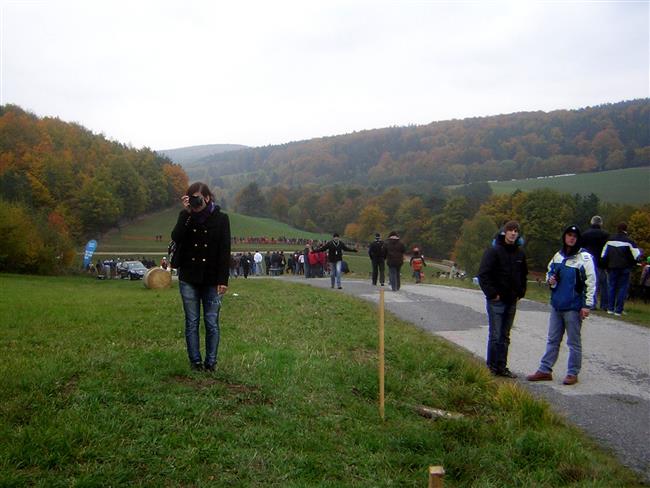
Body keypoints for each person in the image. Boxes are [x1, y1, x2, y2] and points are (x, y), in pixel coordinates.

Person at [171, 182, 231, 372]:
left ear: (207, 197)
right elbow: (176, 237)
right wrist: (187, 213)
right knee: (192, 321)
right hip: (189, 276)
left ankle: (211, 362)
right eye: (192, 197)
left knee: (212, 322)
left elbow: (224, 250)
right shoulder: (186, 217)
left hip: (212, 278)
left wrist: (223, 280)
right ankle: (195, 362)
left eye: (198, 197)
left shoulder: (221, 219)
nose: (196, 201)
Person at [526, 225, 596, 386]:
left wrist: (587, 305)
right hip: (557, 305)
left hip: (573, 307)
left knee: (573, 342)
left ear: (578, 239)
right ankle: (545, 370)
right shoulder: (558, 256)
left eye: (574, 236)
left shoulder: (584, 258)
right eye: (569, 235)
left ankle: (572, 372)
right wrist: (550, 280)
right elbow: (549, 272)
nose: (571, 238)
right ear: (564, 237)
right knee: (552, 339)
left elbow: (591, 282)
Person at [477, 221, 528, 378]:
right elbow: (483, 274)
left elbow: (524, 275)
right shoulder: (494, 251)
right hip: (497, 301)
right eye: (510, 230)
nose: (513, 233)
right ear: (504, 232)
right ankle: (491, 367)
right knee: (495, 334)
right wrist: (492, 294)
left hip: (512, 300)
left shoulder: (520, 254)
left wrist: (521, 292)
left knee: (505, 336)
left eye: (516, 231)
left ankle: (502, 366)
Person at [601, 222, 641, 316]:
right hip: (625, 268)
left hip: (612, 267)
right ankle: (618, 310)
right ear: (626, 229)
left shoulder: (610, 240)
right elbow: (637, 255)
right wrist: (633, 263)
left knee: (611, 287)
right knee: (622, 288)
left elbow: (603, 255)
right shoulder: (629, 241)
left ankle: (610, 309)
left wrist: (605, 265)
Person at [580, 215, 609, 311]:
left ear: (591, 222)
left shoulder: (585, 234)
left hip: (588, 261)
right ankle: (604, 305)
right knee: (604, 284)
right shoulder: (605, 235)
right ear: (601, 223)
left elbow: (581, 248)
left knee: (590, 283)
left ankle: (592, 303)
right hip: (601, 262)